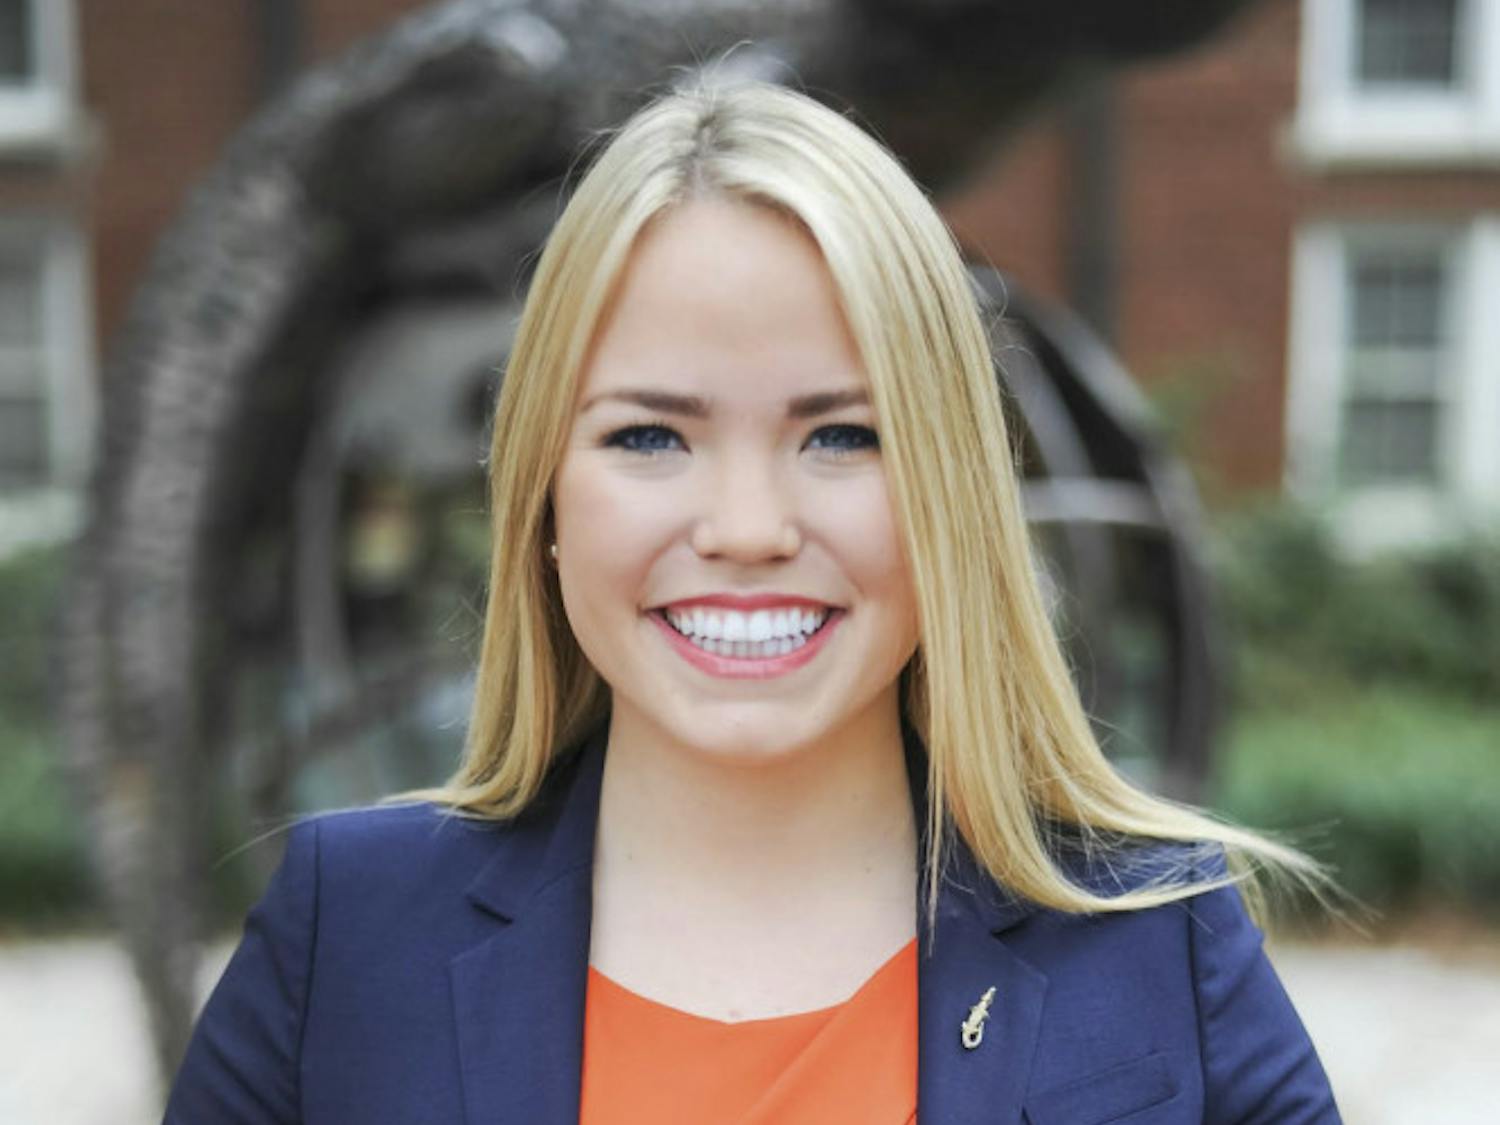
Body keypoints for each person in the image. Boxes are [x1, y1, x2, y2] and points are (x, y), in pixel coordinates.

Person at [163, 78, 1341, 1124]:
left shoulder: (1158, 940)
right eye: (648, 435)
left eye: (841, 434)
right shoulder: (348, 938)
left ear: (953, 495)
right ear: (544, 500)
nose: (745, 529)